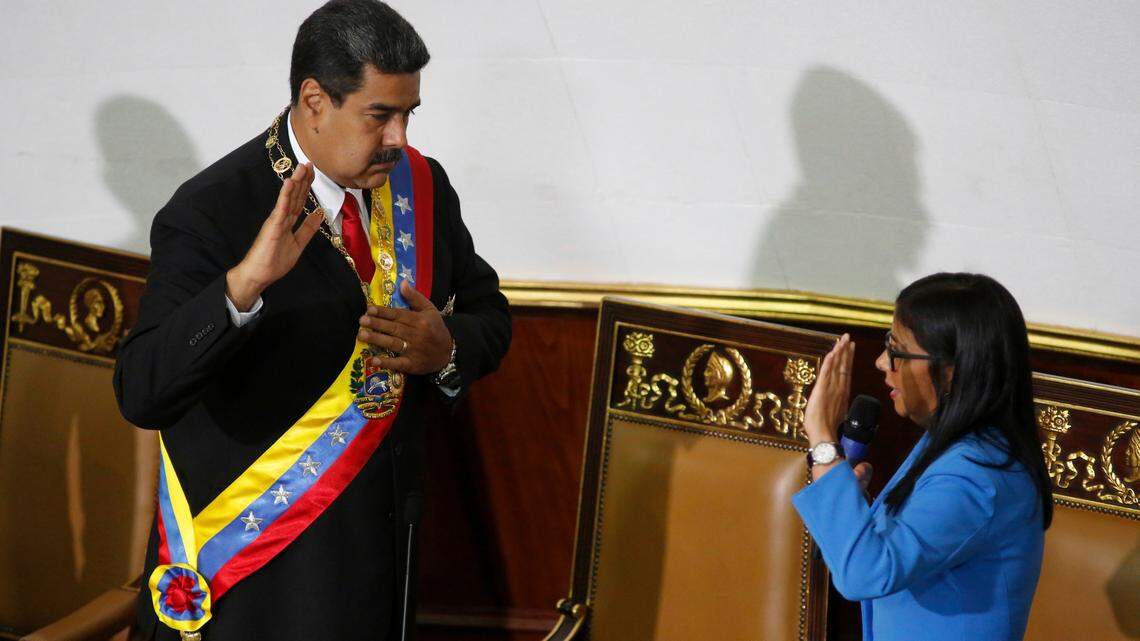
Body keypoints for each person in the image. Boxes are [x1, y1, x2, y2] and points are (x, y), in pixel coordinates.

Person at [112, 2, 511, 640]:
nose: (398, 139)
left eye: (408, 114)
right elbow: (141, 391)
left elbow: (490, 311)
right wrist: (243, 287)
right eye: (379, 115)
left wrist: (447, 350)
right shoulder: (211, 211)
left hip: (386, 559)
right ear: (315, 98)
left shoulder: (422, 186)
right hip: (259, 576)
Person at [792, 273, 1052, 641]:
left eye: (897, 351)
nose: (882, 362)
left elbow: (865, 574)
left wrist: (822, 439)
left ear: (951, 371)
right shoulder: (953, 445)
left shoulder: (974, 476)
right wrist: (853, 503)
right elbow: (895, 555)